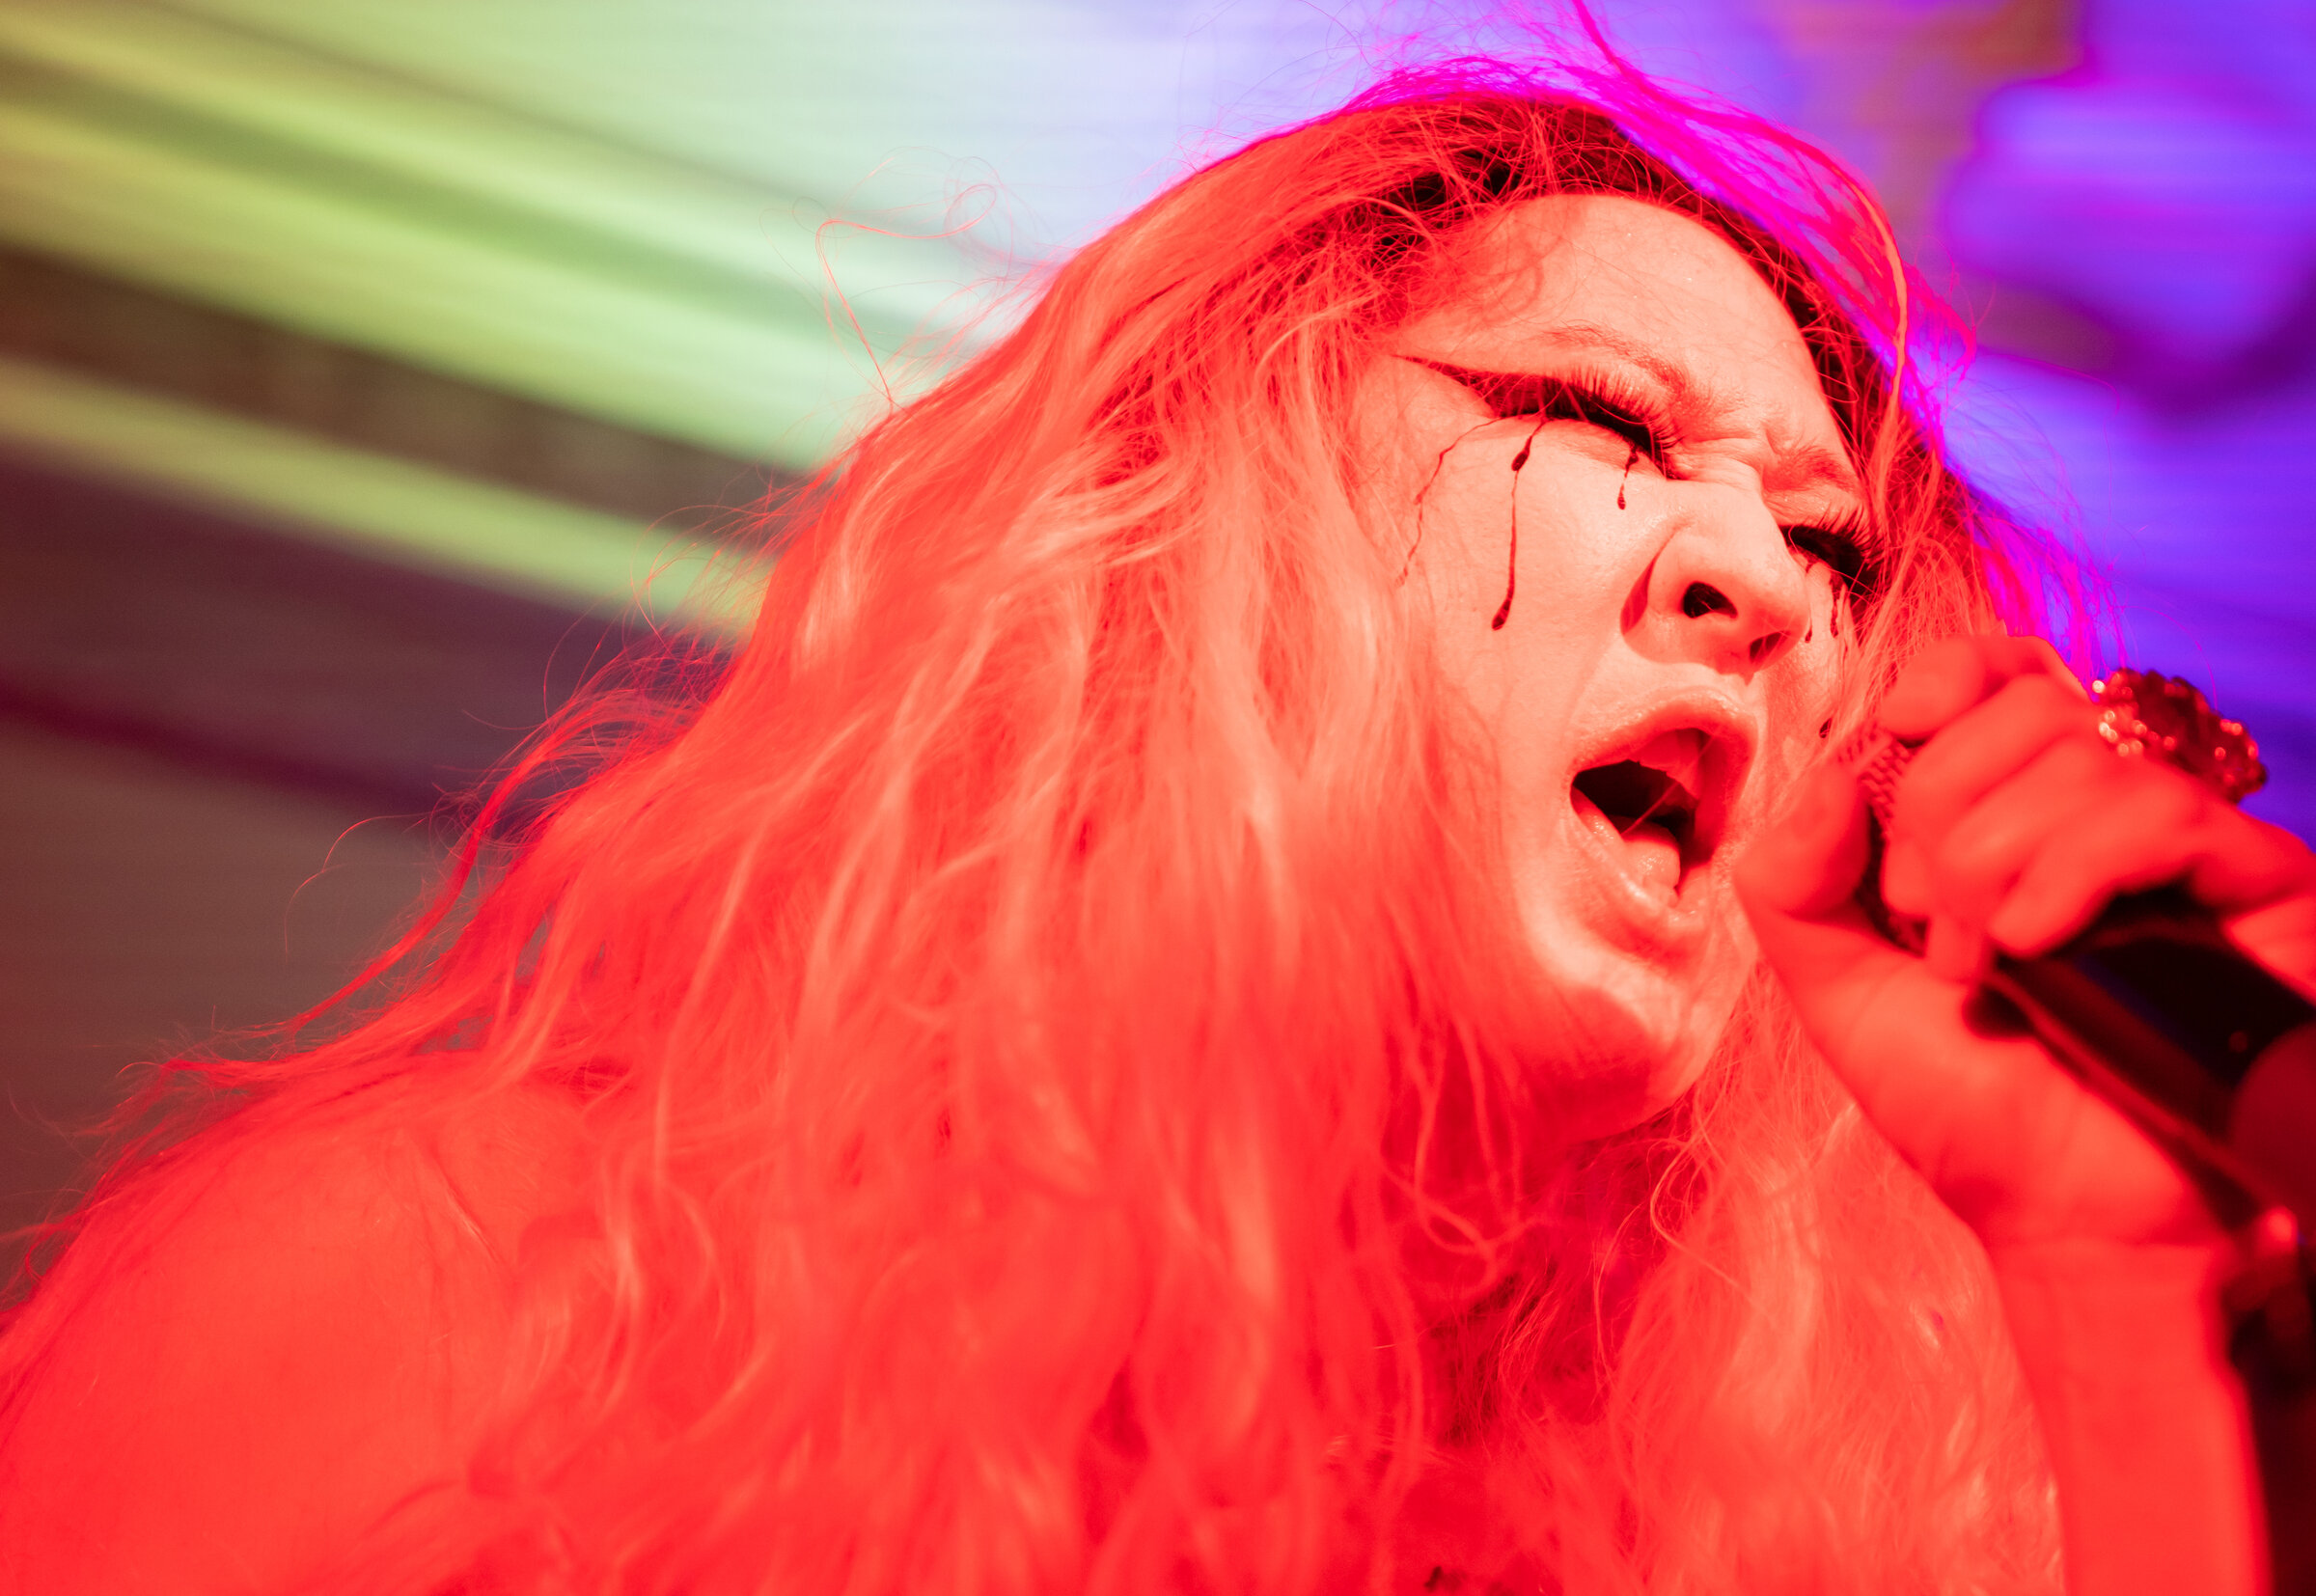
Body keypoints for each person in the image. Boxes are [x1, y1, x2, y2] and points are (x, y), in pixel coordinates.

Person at [2, 57, 2311, 1596]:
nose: (1753, 594)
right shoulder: (473, 1301)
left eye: (1829, 554)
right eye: (1594, 418)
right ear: (1207, 531)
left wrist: (2121, 1306)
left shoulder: (1814, 1524)